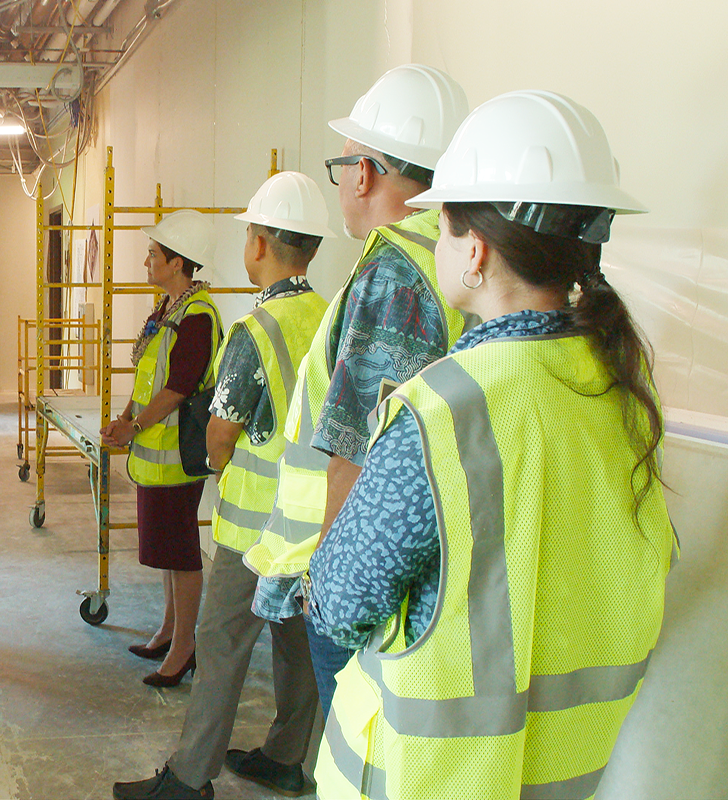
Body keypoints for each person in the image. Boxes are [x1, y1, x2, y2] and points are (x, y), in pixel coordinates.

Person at [307, 89, 676, 800]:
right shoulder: (624, 392)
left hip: (430, 780)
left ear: (472, 251)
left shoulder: (444, 409)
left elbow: (340, 602)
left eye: (441, 228)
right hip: (570, 775)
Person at [241, 64, 470, 717]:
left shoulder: (395, 271)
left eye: (342, 167)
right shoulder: (458, 253)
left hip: (366, 573)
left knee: (354, 758)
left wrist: (333, 586)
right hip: (431, 560)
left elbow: (357, 447)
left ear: (364, 173)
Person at [112, 172, 333, 800]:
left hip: (253, 525)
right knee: (293, 638)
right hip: (311, 522)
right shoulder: (331, 316)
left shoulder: (253, 331)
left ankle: (189, 776)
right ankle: (288, 756)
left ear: (259, 244)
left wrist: (220, 465)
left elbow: (219, 433)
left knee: (221, 641)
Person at [100, 209, 222, 687]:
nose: (146, 260)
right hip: (155, 452)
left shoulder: (198, 317)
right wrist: (126, 417)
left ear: (178, 262)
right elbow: (149, 377)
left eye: (154, 254)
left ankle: (184, 646)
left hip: (177, 458)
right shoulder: (168, 310)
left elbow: (177, 389)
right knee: (169, 552)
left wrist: (135, 427)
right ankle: (169, 631)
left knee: (183, 553)